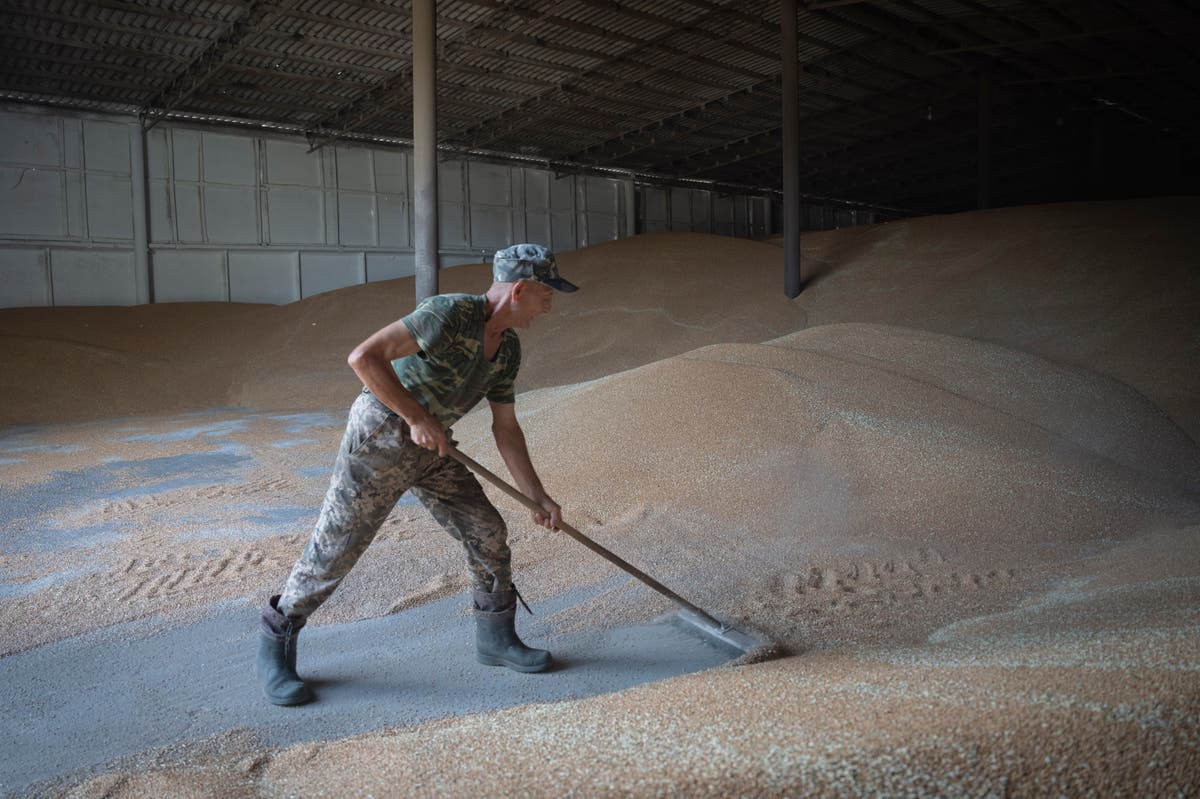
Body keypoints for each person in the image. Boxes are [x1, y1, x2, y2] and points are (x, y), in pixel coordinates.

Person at [256, 243, 578, 706]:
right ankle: (275, 646)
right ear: (521, 289)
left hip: (433, 447)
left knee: (486, 530)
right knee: (336, 549)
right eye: (547, 293)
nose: (550, 305)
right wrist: (415, 417)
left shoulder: (507, 350)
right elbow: (364, 358)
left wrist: (537, 497)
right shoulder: (449, 313)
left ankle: (496, 639)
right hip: (381, 437)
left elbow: (505, 428)